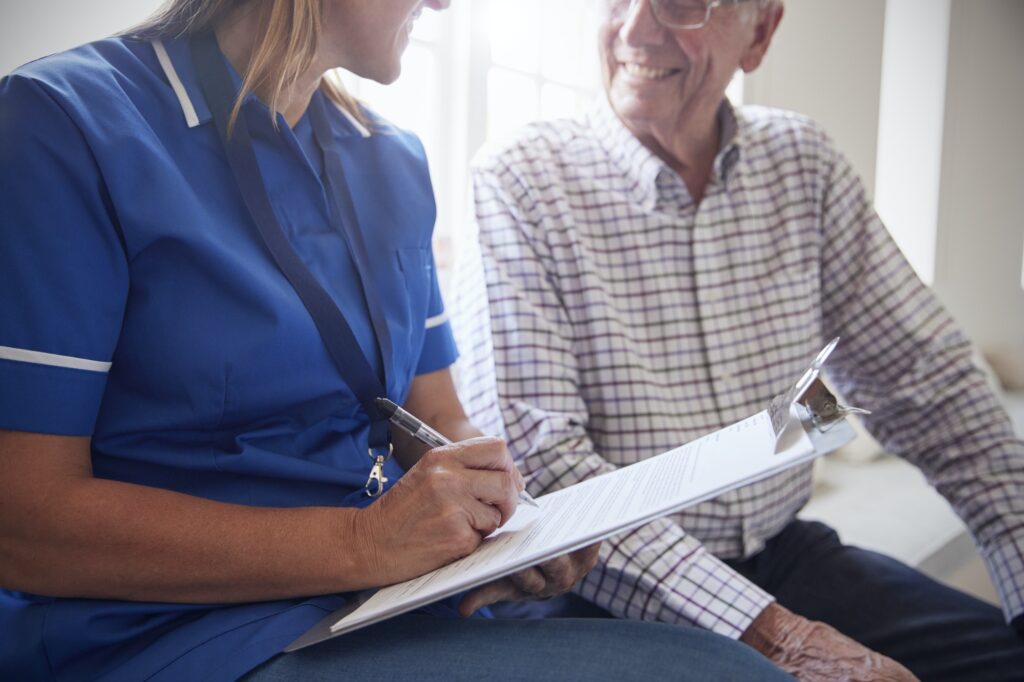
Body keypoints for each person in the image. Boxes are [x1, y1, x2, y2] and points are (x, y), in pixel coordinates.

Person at [0, 1, 797, 680]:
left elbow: (436, 419)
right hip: (180, 638)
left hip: (384, 604)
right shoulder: (63, 125)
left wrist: (516, 525)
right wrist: (361, 543)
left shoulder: (390, 160)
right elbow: (24, 524)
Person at [450, 0, 1024, 679]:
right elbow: (544, 469)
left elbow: (933, 387)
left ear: (762, 31)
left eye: (683, 4)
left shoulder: (804, 165)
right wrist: (784, 641)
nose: (634, 30)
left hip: (782, 555)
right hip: (590, 592)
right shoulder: (520, 180)